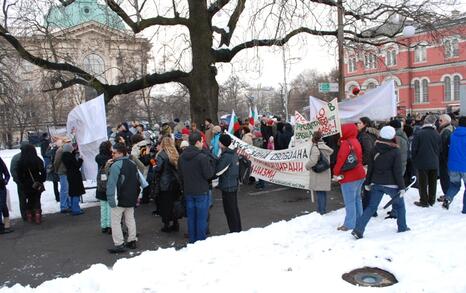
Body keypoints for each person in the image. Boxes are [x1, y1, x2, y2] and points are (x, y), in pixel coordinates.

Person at [352, 126, 410, 239]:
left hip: (377, 183)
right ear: (392, 136)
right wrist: (402, 187)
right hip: (392, 184)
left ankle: (358, 229)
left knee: (371, 207)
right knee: (400, 206)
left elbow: (370, 168)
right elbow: (397, 171)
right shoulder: (395, 151)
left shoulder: (375, 149)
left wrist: (367, 183)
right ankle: (402, 227)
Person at [106, 143, 148, 253]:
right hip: (131, 197)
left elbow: (111, 184)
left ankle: (119, 244)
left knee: (115, 222)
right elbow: (138, 179)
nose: (112, 154)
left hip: (119, 198)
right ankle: (132, 240)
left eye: (114, 152)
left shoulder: (115, 165)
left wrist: (110, 199)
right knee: (130, 219)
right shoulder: (132, 163)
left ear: (120, 153)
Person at [178, 132, 215, 243]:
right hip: (201, 191)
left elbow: (180, 175)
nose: (203, 143)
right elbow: (208, 175)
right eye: (202, 141)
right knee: (201, 218)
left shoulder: (181, 157)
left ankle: (192, 240)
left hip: (188, 191)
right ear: (198, 142)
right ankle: (200, 242)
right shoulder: (202, 157)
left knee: (191, 218)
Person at [333, 123, 366, 231]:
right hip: (360, 174)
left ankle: (349, 224)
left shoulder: (346, 143)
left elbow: (341, 159)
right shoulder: (356, 141)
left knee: (349, 201)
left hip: (349, 176)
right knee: (357, 199)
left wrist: (336, 173)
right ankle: (359, 220)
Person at [411, 114, 441, 207]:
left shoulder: (419, 133)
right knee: (433, 182)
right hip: (434, 161)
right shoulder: (437, 134)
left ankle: (424, 201)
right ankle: (432, 200)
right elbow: (440, 149)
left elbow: (414, 149)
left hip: (422, 161)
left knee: (423, 182)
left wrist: (414, 159)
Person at [153, 137, 181, 233]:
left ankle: (166, 224)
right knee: (174, 203)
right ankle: (175, 222)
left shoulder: (161, 155)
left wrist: (154, 168)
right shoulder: (175, 153)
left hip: (165, 183)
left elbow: (159, 169)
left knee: (165, 204)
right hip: (175, 182)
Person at [216, 134, 242, 233]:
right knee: (234, 209)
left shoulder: (226, 156)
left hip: (227, 186)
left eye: (219, 141)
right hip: (233, 184)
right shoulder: (233, 153)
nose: (218, 143)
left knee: (230, 211)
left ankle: (234, 231)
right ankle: (237, 229)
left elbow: (218, 171)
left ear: (222, 144)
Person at [305, 131, 333, 215]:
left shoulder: (315, 147)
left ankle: (321, 211)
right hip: (324, 171)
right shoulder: (324, 146)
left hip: (318, 173)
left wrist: (307, 166)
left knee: (319, 192)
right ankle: (322, 209)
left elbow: (313, 160)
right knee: (322, 192)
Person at [17, 145, 46, 224]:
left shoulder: (21, 161)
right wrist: (41, 179)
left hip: (26, 184)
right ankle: (37, 216)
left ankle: (30, 216)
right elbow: (43, 171)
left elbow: (19, 175)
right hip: (37, 182)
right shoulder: (37, 159)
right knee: (37, 199)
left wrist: (23, 182)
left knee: (29, 199)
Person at [442, 116, 466, 212]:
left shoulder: (452, 135)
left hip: (452, 165)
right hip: (465, 166)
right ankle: (465, 209)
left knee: (454, 185)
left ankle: (448, 198)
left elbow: (446, 150)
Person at [356, 117, 379, 213]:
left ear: (365, 124)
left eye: (359, 123)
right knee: (369, 186)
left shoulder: (365, 136)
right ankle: (371, 209)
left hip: (367, 164)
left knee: (367, 187)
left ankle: (368, 209)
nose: (357, 124)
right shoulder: (372, 134)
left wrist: (363, 162)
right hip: (372, 163)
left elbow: (368, 151)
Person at [61, 143, 85, 216]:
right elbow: (77, 165)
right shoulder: (70, 156)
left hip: (70, 175)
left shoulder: (64, 156)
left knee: (72, 192)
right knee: (76, 192)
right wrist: (80, 159)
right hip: (75, 176)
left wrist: (74, 152)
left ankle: (74, 208)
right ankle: (76, 209)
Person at [95, 141, 113, 234]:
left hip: (101, 185)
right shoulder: (111, 158)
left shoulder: (98, 157)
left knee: (103, 207)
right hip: (109, 184)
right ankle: (110, 226)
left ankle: (104, 226)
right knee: (110, 207)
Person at [10, 141, 29, 221]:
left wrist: (17, 180)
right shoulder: (31, 156)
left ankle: (24, 215)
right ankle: (32, 213)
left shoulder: (15, 157)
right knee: (32, 198)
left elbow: (12, 170)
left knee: (22, 199)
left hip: (20, 182)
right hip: (30, 181)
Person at [438, 114, 454, 198]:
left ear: (446, 121)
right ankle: (447, 194)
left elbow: (443, 146)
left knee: (444, 177)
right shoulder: (450, 128)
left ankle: (447, 195)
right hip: (448, 158)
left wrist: (442, 158)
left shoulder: (446, 131)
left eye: (441, 120)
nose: (439, 122)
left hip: (444, 158)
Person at [53, 139, 71, 213]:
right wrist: (57, 170)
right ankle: (63, 206)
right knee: (64, 189)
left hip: (65, 171)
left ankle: (67, 204)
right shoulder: (60, 150)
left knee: (67, 189)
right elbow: (56, 162)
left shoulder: (63, 149)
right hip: (63, 172)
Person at [0, 156, 12, 234]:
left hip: (1, 186)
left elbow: (6, 173)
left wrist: (5, 181)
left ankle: (5, 225)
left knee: (3, 205)